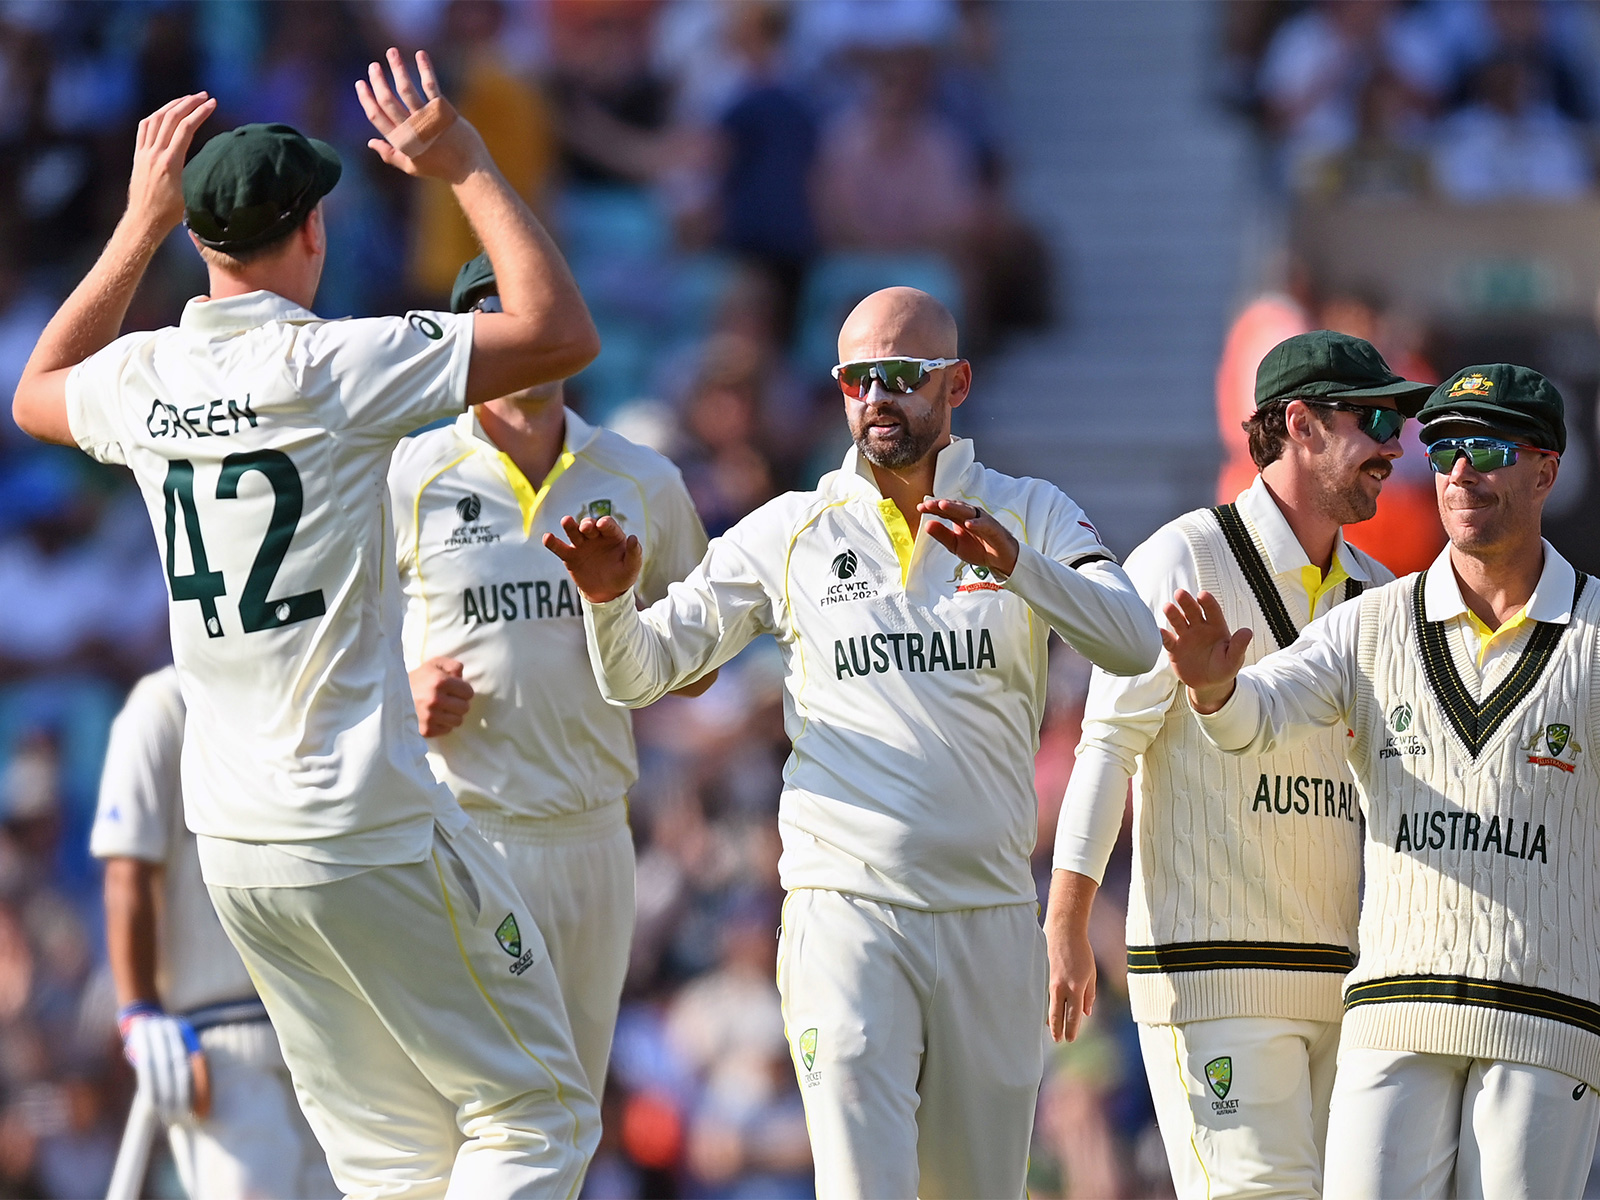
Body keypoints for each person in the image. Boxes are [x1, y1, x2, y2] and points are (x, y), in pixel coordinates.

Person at [12, 53, 603, 1197]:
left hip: (237, 847)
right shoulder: (336, 361)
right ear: (314, 231)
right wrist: (468, 166)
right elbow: (559, 332)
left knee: (388, 1157)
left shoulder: (142, 378)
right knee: (536, 1112)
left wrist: (136, 226)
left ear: (197, 238)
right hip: (360, 821)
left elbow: (37, 388)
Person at [546, 285, 1162, 1198]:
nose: (876, 396)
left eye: (901, 375)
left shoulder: (1029, 510)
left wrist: (1017, 567)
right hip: (846, 913)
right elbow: (641, 673)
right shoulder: (789, 530)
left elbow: (1134, 641)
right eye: (855, 378)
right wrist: (607, 603)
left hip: (991, 916)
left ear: (956, 384)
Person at [1164, 364, 1600, 1198]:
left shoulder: (1594, 632)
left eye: (1487, 449)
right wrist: (1215, 689)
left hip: (1546, 1019)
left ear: (1546, 471)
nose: (1460, 473)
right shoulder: (1370, 623)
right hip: (1395, 1011)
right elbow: (1260, 715)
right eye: (1442, 450)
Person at [1046, 331, 1431, 1198]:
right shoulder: (1182, 557)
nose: (1394, 447)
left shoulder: (1378, 591)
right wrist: (1066, 921)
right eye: (1374, 421)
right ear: (1300, 424)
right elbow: (1108, 745)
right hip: (1213, 975)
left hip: (1342, 983)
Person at [392, 251, 713, 1100]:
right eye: (499, 322)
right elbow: (332, 642)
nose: (525, 340)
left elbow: (698, 672)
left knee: (571, 1110)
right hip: (462, 829)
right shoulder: (407, 476)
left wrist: (618, 608)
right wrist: (399, 693)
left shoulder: (644, 481)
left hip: (596, 835)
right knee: (486, 1110)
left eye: (537, 316)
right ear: (466, 340)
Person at [92, 666, 337, 1200]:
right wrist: (139, 1011)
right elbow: (126, 870)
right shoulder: (161, 707)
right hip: (222, 1046)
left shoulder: (298, 685)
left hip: (326, 1027)